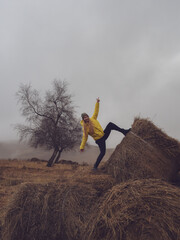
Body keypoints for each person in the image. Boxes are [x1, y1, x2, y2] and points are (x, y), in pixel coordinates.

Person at [80, 97, 131, 170]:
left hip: (103, 135)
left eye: (86, 116)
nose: (86, 118)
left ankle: (124, 131)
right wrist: (82, 147)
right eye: (84, 117)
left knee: (110, 124)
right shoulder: (85, 128)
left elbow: (96, 111)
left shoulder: (93, 119)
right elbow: (85, 137)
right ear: (83, 119)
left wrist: (97, 102)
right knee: (103, 153)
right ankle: (95, 167)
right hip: (99, 140)